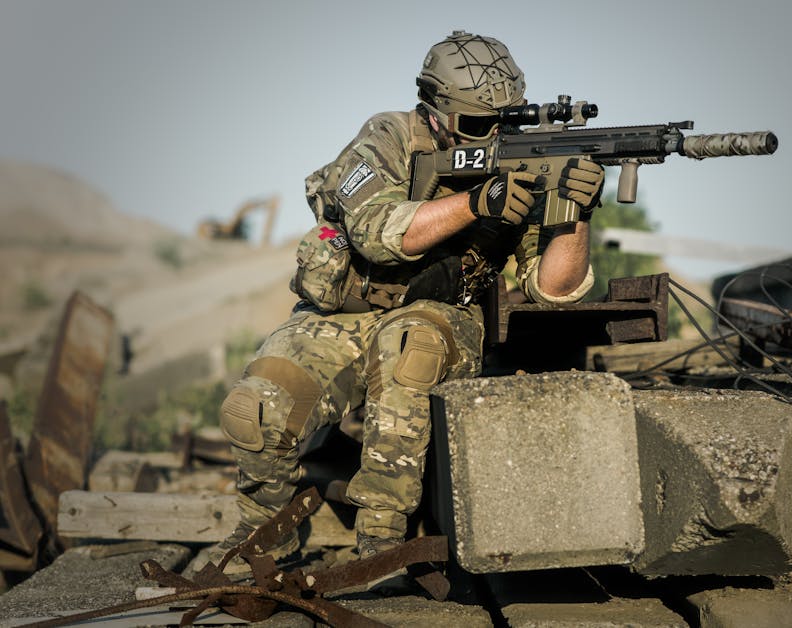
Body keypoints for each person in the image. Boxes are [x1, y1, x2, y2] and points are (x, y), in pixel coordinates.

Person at [205, 30, 604, 574]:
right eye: (476, 125)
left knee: (409, 349)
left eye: (505, 123)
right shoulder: (387, 138)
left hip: (440, 317)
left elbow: (553, 289)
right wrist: (477, 202)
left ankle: (383, 548)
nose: (493, 136)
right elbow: (376, 231)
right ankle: (262, 544)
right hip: (343, 317)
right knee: (252, 410)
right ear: (435, 111)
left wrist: (575, 213)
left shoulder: (526, 168)